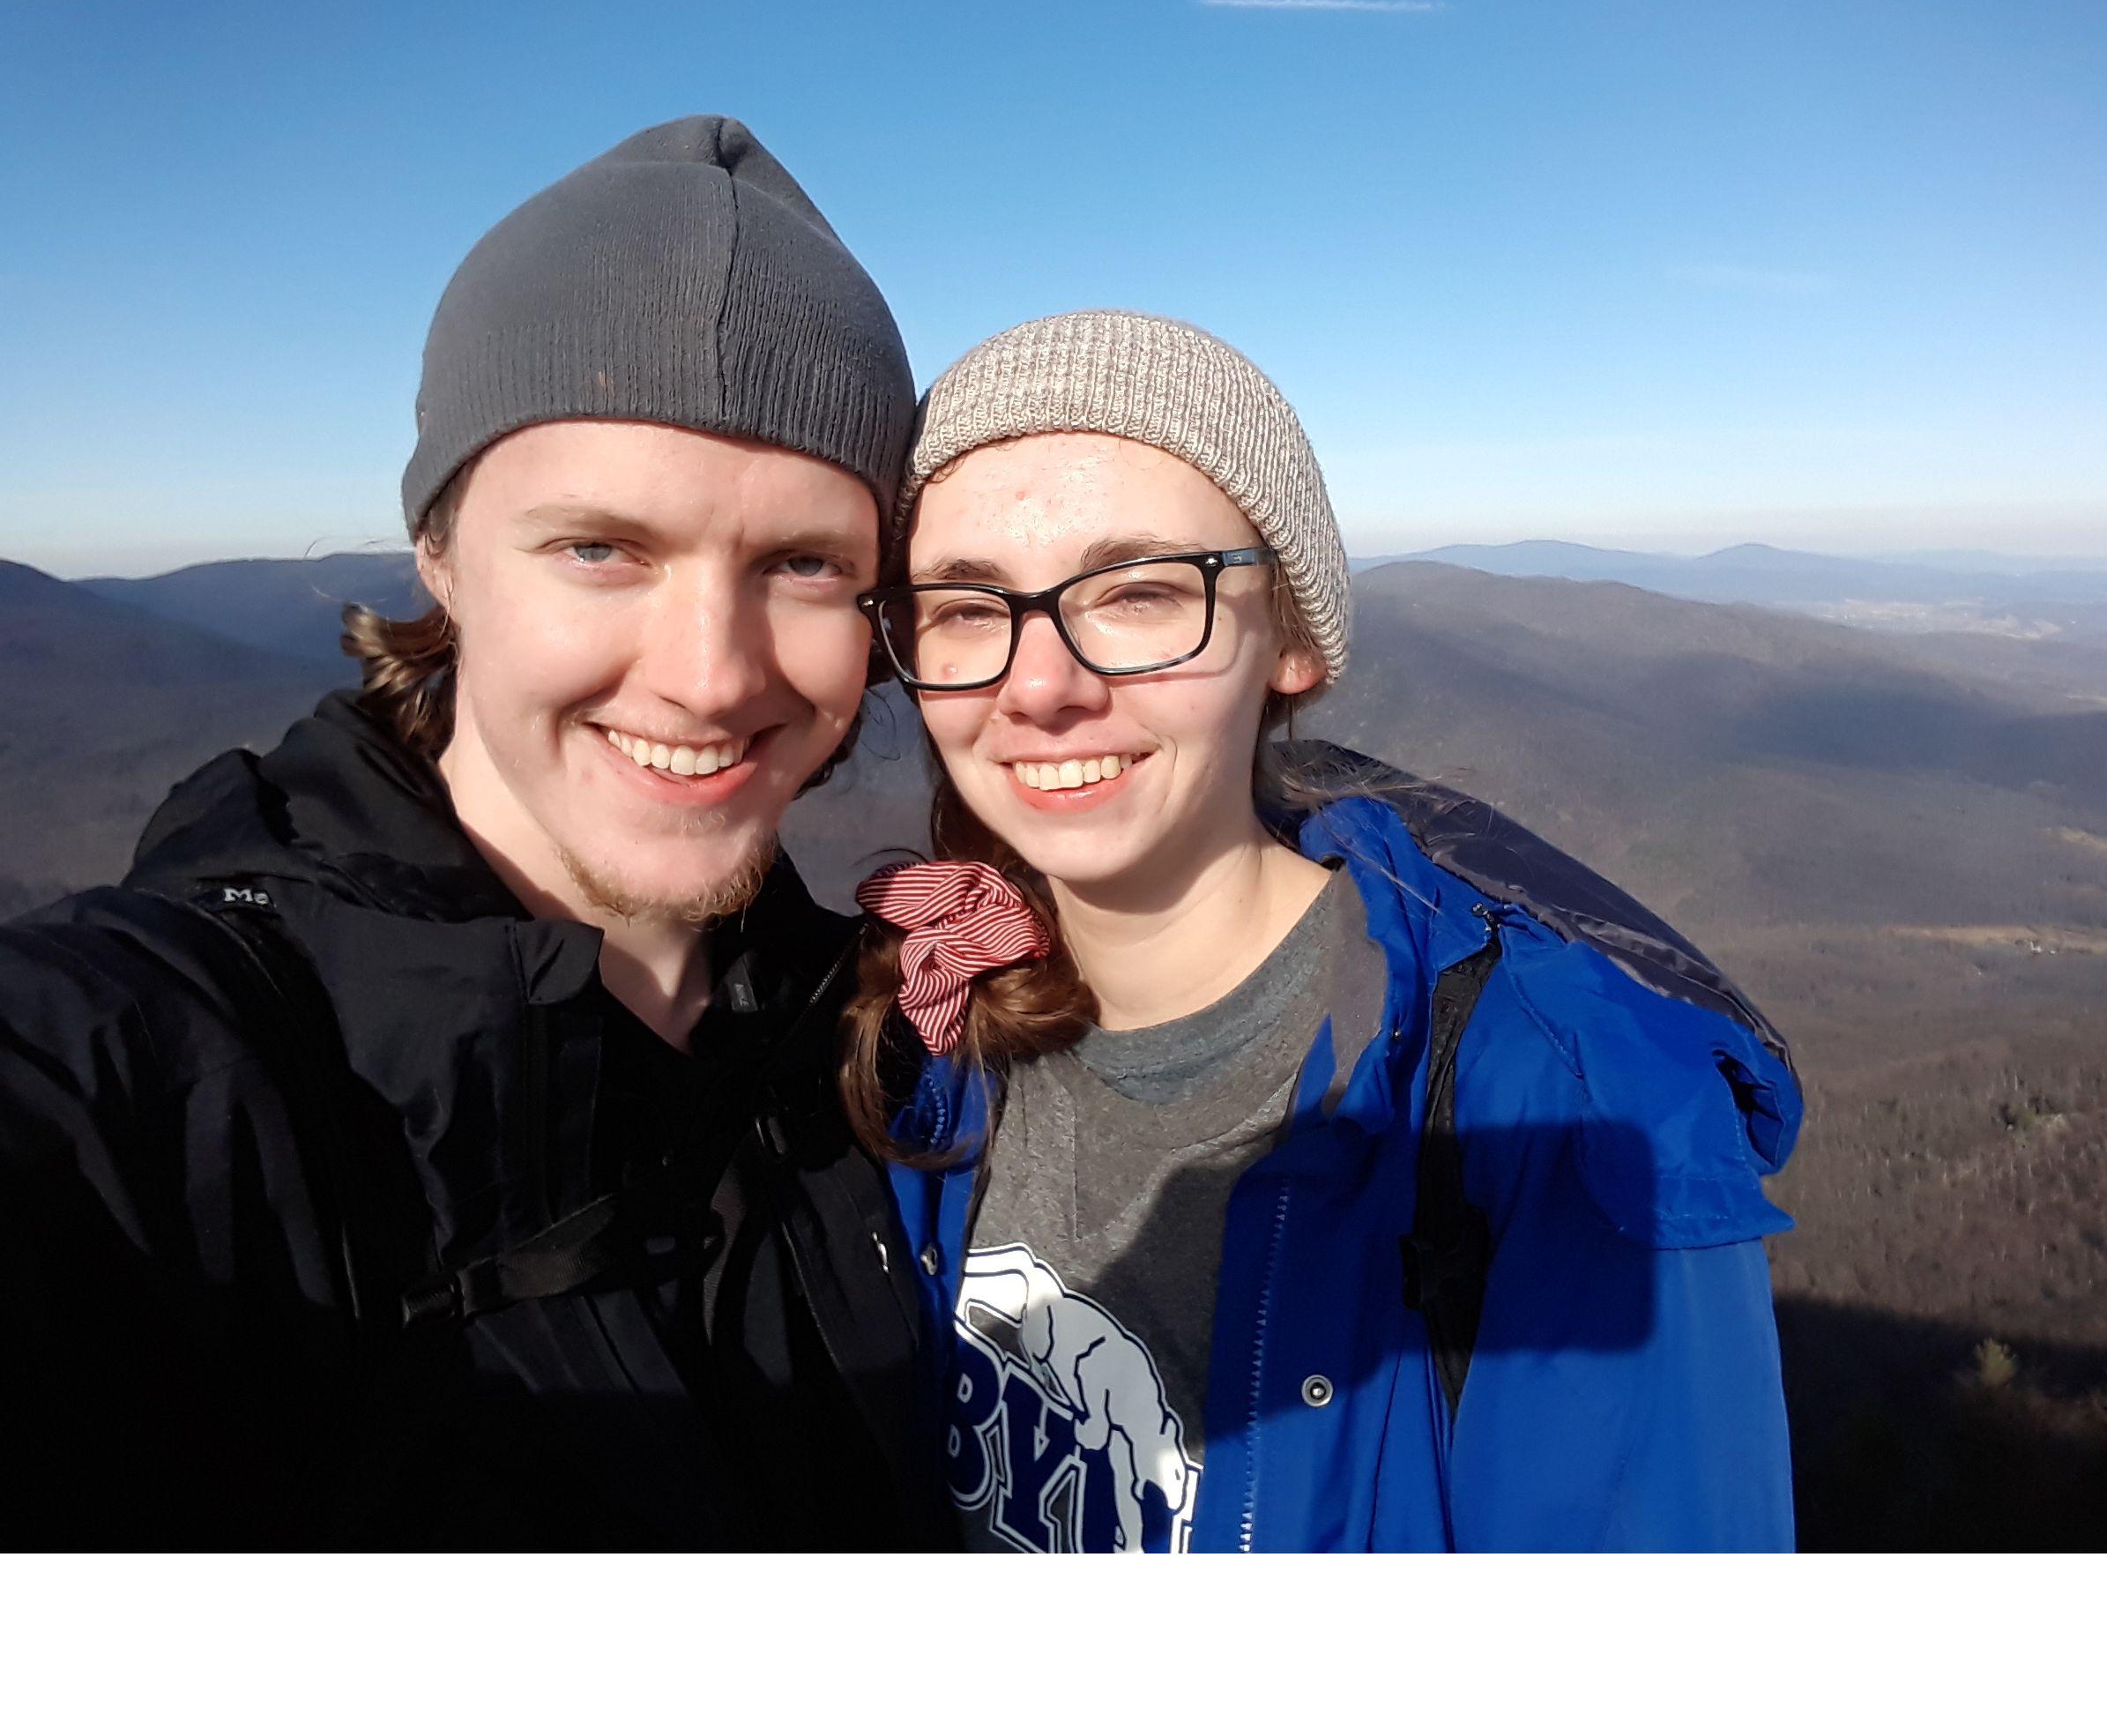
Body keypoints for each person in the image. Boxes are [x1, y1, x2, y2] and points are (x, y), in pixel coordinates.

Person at [0, 115, 954, 1551]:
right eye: (600, 548)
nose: (710, 671)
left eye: (803, 563)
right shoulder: (166, 1062)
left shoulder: (879, 1048)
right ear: (437, 554)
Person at [842, 309, 1804, 1552]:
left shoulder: (1560, 1113)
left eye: (1137, 591)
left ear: (1292, 639)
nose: (1040, 685)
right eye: (969, 607)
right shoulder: (933, 1016)